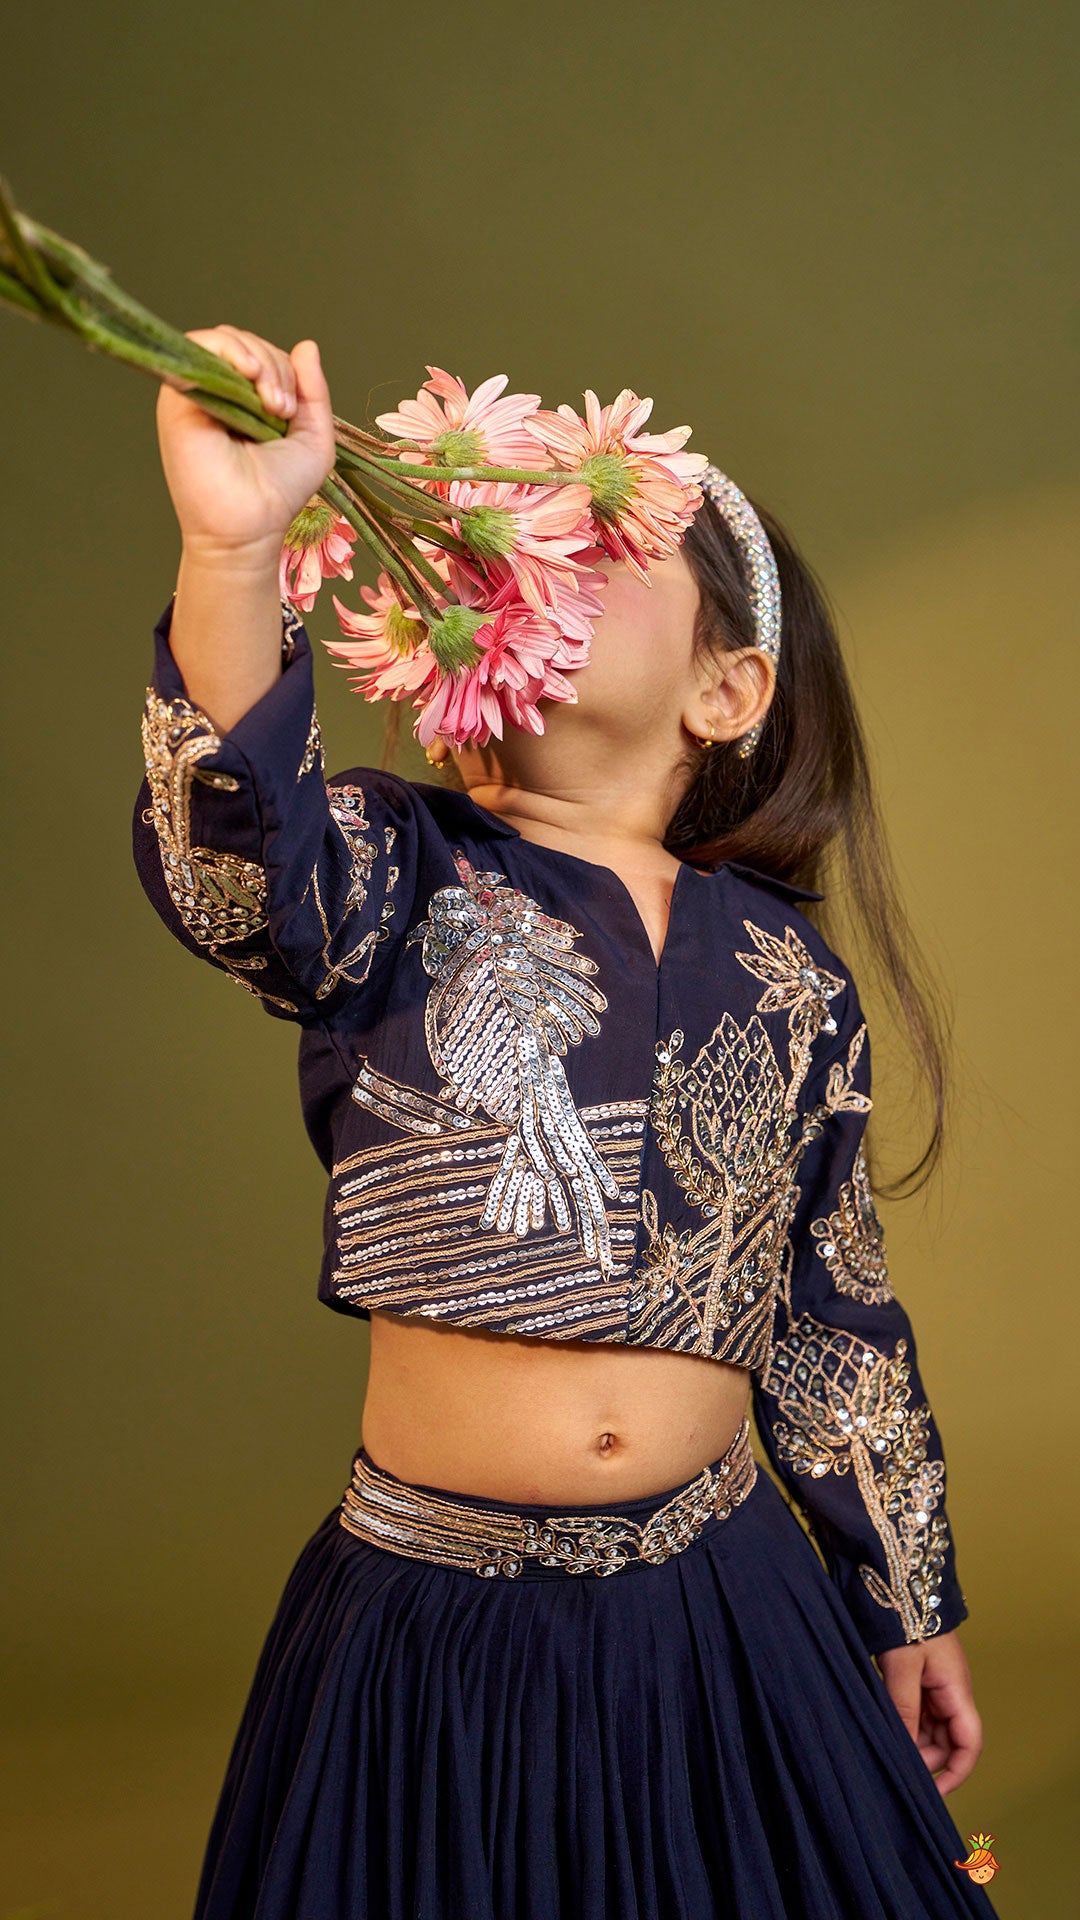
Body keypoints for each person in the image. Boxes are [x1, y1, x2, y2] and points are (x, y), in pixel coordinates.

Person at [133, 324, 999, 1919]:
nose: (527, 550)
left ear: (728, 688)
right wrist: (233, 544)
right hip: (425, 1614)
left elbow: (831, 1318)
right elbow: (230, 867)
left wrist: (908, 1599)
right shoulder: (397, 875)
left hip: (725, 1607)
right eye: (514, 535)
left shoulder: (788, 980)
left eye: (603, 538)